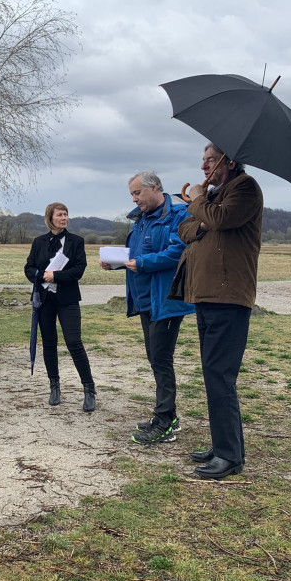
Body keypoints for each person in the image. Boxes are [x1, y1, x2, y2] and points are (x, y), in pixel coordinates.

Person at [172, 142, 263, 479]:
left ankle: (230, 456)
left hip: (229, 296)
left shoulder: (245, 188)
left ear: (230, 160)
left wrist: (199, 202)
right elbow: (184, 230)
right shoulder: (213, 194)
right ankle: (222, 443)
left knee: (220, 375)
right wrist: (202, 215)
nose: (204, 166)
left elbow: (222, 219)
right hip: (206, 295)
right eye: (203, 160)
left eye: (210, 159)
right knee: (212, 375)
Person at [101, 171, 194, 445]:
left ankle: (165, 422)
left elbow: (178, 252)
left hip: (165, 300)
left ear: (154, 188)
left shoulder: (178, 214)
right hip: (143, 300)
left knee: (162, 360)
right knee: (155, 358)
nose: (134, 199)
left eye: (137, 193)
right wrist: (116, 262)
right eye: (132, 194)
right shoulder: (140, 219)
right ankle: (167, 415)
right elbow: (136, 255)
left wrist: (141, 264)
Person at [24, 202, 96, 412]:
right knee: (49, 343)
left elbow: (79, 270)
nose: (64, 218)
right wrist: (40, 276)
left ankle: (89, 389)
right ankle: (54, 386)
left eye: (66, 215)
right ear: (50, 218)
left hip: (68, 299)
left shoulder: (76, 242)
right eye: (60, 215)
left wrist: (56, 275)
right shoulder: (39, 242)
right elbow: (29, 267)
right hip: (45, 300)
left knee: (74, 342)